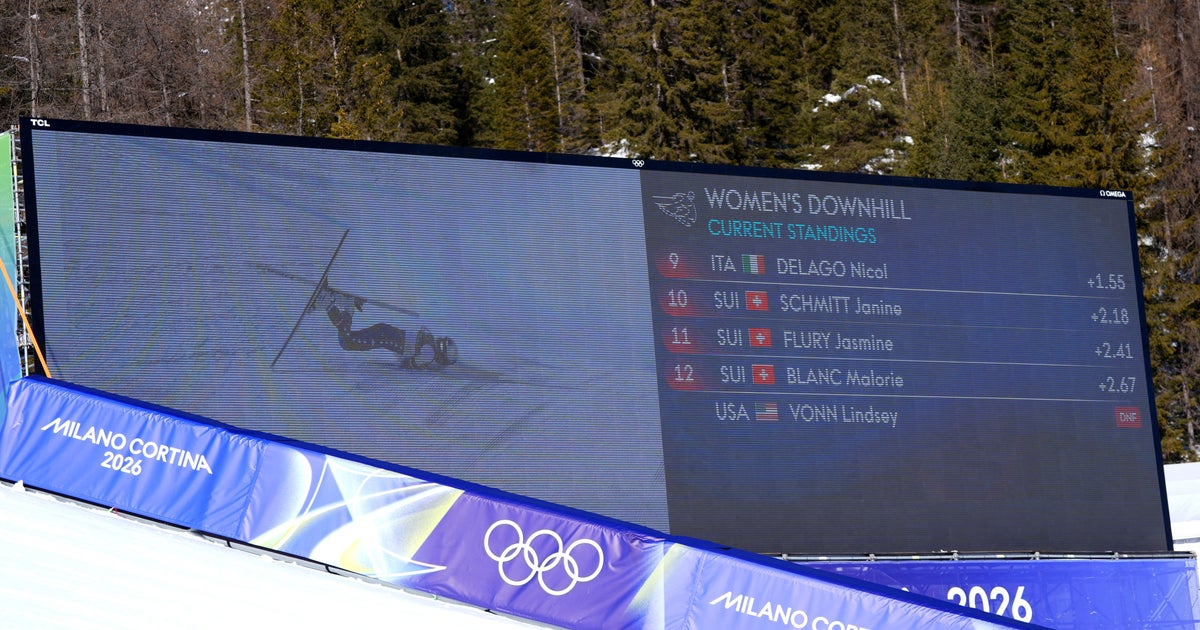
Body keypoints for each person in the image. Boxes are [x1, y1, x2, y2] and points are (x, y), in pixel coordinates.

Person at [311, 283, 457, 369]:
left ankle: (347, 306)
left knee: (349, 338)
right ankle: (327, 302)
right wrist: (422, 365)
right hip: (383, 337)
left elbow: (419, 331)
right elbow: (408, 364)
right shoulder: (429, 354)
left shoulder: (429, 338)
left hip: (385, 332)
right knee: (347, 342)